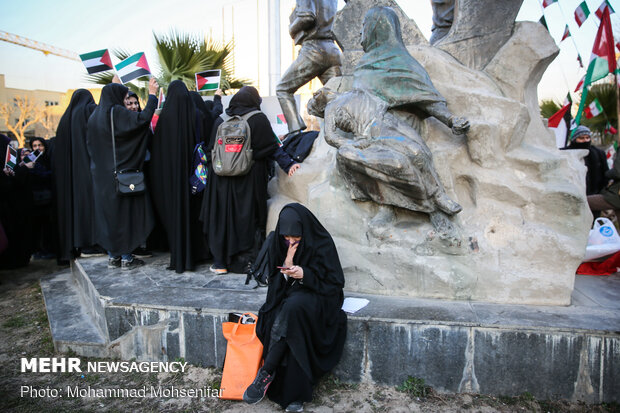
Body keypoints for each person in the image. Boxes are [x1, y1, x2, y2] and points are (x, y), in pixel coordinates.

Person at [243, 203, 347, 412]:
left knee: (293, 309)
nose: (290, 242)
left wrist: (305, 275)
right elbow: (274, 289)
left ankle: (266, 371)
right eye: (286, 238)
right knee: (287, 317)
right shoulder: (278, 243)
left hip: (320, 297)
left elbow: (335, 285)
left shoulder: (321, 243)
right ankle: (294, 397)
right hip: (289, 298)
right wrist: (285, 267)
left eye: (296, 239)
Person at [199, 86, 298, 274]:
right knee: (249, 218)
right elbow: (272, 147)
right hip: (248, 179)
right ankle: (247, 262)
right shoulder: (257, 119)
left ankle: (220, 263)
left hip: (221, 182)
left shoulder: (221, 120)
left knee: (222, 220)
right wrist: (289, 164)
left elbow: (210, 150)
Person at [86, 78, 159, 270]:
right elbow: (141, 121)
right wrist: (152, 96)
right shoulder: (115, 112)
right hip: (120, 176)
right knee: (124, 216)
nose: (126, 101)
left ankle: (113, 256)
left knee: (108, 217)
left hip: (100, 178)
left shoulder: (94, 116)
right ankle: (127, 257)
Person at [150, 80, 208, 273]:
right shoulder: (196, 115)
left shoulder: (164, 119)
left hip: (169, 184)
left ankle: (178, 257)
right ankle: (194, 256)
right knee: (192, 216)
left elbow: (156, 154)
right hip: (193, 181)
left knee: (175, 218)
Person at [276, 0, 342, 134]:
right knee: (337, 97)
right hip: (333, 51)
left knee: (283, 89)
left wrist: (291, 29)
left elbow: (306, 17)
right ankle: (340, 132)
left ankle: (295, 132)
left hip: (313, 49)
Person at [52, 89, 97, 262]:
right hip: (86, 171)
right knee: (88, 208)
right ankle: (89, 243)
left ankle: (73, 245)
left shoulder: (66, 119)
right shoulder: (87, 111)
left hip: (68, 177)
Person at [565, 125, 608, 196]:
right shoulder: (565, 153)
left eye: (587, 138)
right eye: (581, 138)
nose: (585, 140)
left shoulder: (599, 153)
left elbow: (605, 173)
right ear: (574, 139)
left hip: (596, 193)